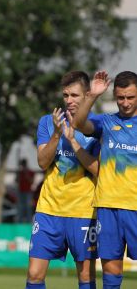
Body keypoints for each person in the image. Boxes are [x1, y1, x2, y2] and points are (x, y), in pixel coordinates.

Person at [26, 71, 100, 289]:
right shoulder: (48, 122)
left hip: (83, 212)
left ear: (87, 95)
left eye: (75, 95)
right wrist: (57, 134)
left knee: (86, 276)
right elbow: (42, 162)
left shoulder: (97, 126)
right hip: (49, 210)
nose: (69, 100)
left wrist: (73, 142)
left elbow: (97, 169)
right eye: (66, 95)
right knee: (34, 274)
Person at [72, 70, 137, 289]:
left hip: (135, 207)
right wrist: (92, 96)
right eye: (120, 98)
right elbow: (79, 124)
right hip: (108, 206)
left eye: (130, 97)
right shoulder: (106, 122)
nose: (125, 103)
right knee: (111, 271)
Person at [16, 158, 35, 222]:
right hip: (21, 192)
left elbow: (31, 181)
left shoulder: (31, 172)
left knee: (28, 207)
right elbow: (16, 181)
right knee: (20, 207)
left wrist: (26, 174)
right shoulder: (19, 172)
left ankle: (29, 221)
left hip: (28, 192)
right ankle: (20, 221)